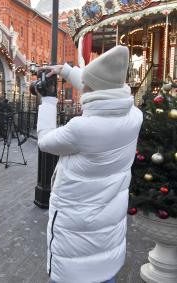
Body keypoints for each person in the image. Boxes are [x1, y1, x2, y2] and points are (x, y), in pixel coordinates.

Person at [36, 46, 143, 283]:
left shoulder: (82, 128)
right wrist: (64, 70)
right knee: (103, 273)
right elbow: (102, 88)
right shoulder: (134, 116)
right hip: (108, 228)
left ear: (92, 89)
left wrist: (48, 101)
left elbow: (45, 141)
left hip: (76, 230)